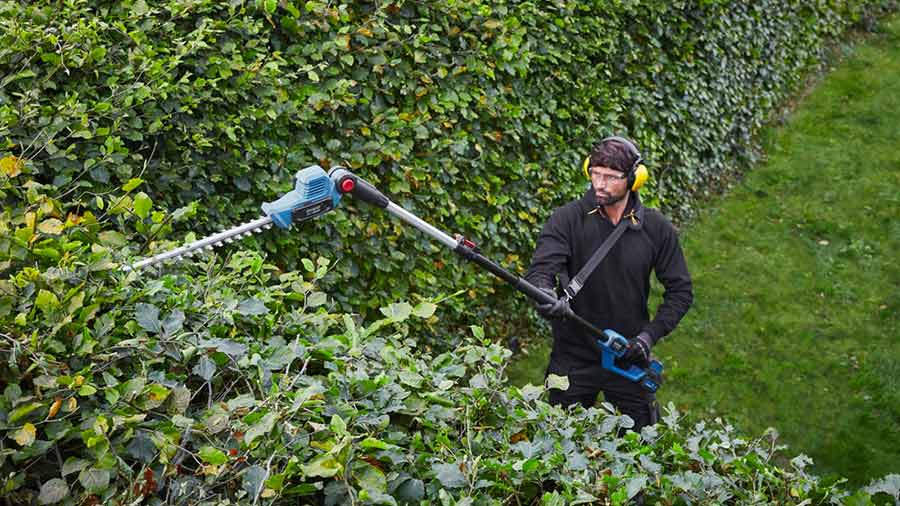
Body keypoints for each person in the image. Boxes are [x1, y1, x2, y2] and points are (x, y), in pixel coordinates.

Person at [525, 136, 693, 430]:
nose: (600, 184)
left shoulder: (656, 229)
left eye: (611, 177)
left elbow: (680, 291)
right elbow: (542, 270)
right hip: (573, 357)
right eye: (595, 174)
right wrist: (543, 293)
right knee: (556, 439)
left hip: (627, 355)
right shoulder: (566, 220)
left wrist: (647, 338)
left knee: (641, 444)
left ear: (634, 180)